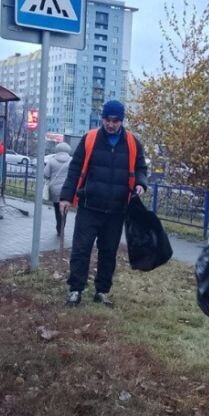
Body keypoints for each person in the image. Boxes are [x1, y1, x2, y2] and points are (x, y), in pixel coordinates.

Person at [59, 100, 148, 307]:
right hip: (89, 206)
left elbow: (141, 168)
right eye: (107, 120)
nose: (110, 124)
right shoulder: (90, 139)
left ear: (121, 121)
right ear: (102, 119)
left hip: (117, 210)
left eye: (115, 121)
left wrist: (141, 184)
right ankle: (75, 290)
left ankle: (101, 291)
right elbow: (75, 169)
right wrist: (66, 197)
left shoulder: (133, 143)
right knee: (81, 249)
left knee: (108, 253)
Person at [43, 141, 73, 236]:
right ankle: (62, 227)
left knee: (57, 208)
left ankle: (59, 226)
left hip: (54, 188)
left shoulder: (52, 160)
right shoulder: (71, 160)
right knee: (65, 209)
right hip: (67, 189)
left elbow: (46, 174)